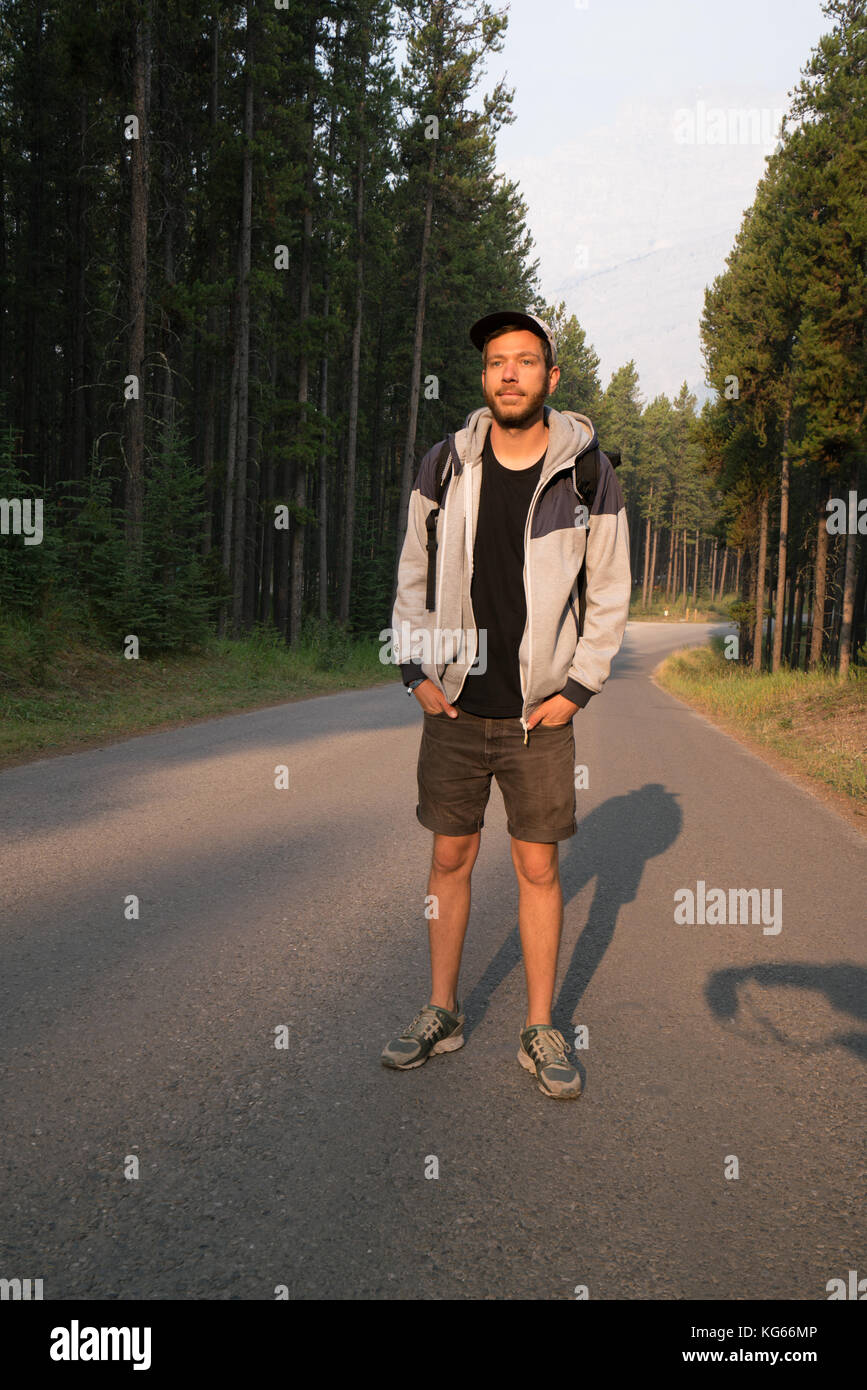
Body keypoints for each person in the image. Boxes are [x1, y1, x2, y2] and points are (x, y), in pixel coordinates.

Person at [382, 309, 631, 1099]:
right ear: (484, 377)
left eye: (525, 361)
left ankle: (539, 1026)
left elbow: (611, 590)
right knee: (448, 858)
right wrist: (415, 673)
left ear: (550, 379)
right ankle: (441, 1011)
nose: (510, 374)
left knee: (536, 867)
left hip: (536, 717)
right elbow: (411, 579)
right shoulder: (445, 465)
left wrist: (578, 688)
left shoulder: (585, 473)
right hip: (453, 708)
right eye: (497, 362)